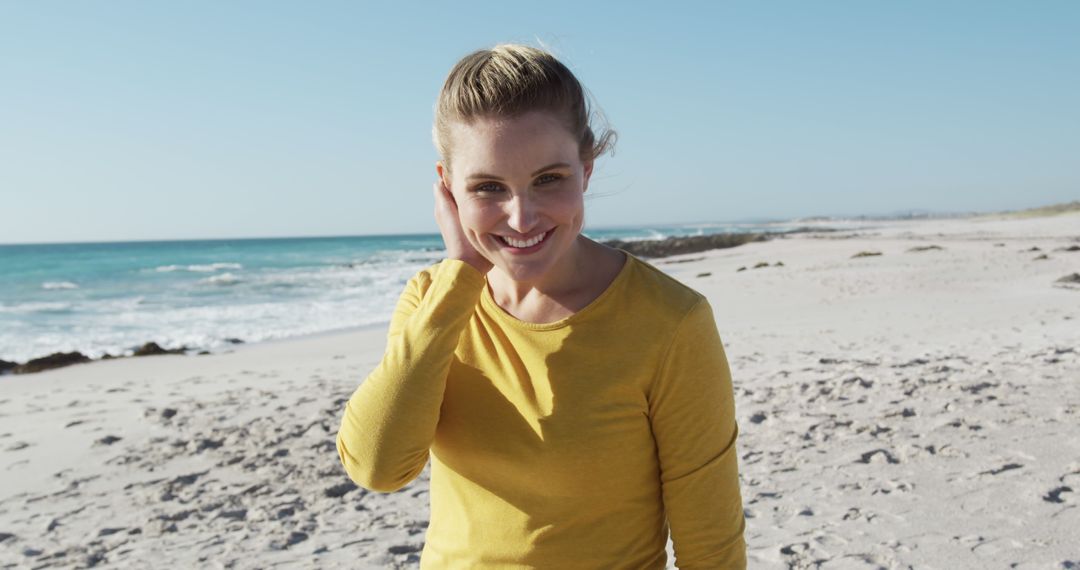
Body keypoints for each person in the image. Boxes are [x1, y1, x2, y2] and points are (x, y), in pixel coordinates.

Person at [336, 43, 746, 569]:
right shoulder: (431, 300)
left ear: (587, 170)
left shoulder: (670, 321)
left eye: (548, 179)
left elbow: (711, 546)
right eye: (487, 187)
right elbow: (377, 467)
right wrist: (460, 273)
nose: (522, 217)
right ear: (447, 190)